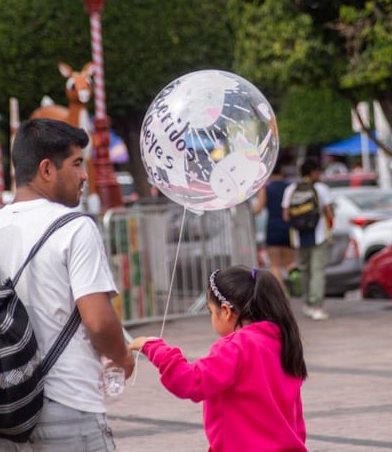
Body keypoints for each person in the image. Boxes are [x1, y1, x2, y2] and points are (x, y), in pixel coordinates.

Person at [0, 118, 134, 452]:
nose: (84, 175)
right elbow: (99, 321)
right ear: (47, 169)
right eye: (76, 164)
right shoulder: (76, 228)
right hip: (67, 406)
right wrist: (122, 357)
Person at [129, 265, 307, 451]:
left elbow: (190, 381)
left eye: (211, 312)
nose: (211, 317)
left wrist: (152, 346)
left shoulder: (236, 347)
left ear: (226, 311)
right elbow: (296, 418)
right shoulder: (282, 340)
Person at [282, 158, 333, 321]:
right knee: (317, 270)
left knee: (304, 270)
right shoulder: (321, 189)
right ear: (313, 172)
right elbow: (329, 213)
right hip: (319, 235)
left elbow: (285, 215)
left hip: (298, 237)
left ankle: (307, 303)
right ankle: (317, 305)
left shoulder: (291, 189)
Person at [253, 162, 296, 285]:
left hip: (273, 228)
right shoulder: (291, 187)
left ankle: (281, 293)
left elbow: (258, 209)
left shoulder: (266, 189)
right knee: (290, 262)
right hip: (289, 228)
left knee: (275, 264)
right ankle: (296, 277)